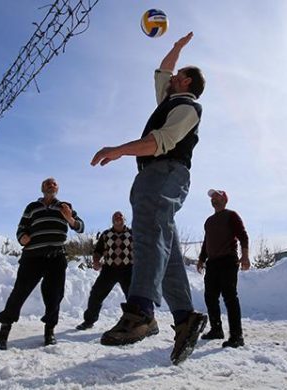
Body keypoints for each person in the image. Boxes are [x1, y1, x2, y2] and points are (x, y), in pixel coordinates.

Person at [90, 32, 207, 365]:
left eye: (177, 76)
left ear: (185, 81)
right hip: (156, 174)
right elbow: (162, 73)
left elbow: (160, 142)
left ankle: (141, 310)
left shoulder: (188, 108)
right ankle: (185, 317)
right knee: (164, 246)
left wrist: (119, 150)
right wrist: (176, 48)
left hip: (165, 170)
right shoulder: (169, 102)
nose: (168, 80)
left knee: (148, 230)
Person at [0, 177, 84, 349]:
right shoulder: (32, 207)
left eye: (54, 184)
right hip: (32, 256)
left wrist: (70, 218)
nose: (51, 185)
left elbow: (80, 227)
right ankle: (4, 330)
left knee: (55, 295)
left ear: (57, 188)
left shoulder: (65, 206)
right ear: (42, 188)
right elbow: (21, 228)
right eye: (47, 183)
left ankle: (49, 331)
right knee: (20, 292)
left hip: (56, 257)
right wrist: (22, 238)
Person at [196, 189, 250, 348]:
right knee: (210, 297)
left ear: (225, 199)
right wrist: (201, 259)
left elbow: (243, 235)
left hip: (228, 260)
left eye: (217, 196)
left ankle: (236, 336)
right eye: (212, 198)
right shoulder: (209, 221)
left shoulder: (231, 215)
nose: (213, 199)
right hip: (212, 263)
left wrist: (245, 256)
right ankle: (216, 329)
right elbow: (207, 242)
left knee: (230, 297)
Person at [76, 211, 138, 331]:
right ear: (112, 220)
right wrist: (96, 261)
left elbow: (141, 250)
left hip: (128, 269)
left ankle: (136, 323)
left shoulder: (132, 233)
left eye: (120, 216)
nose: (118, 218)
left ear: (124, 219)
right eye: (115, 217)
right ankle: (89, 321)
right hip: (109, 269)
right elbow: (98, 251)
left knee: (133, 298)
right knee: (96, 294)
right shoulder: (106, 234)